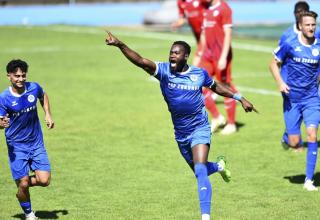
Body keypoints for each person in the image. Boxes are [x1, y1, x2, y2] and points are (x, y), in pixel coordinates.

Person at [106, 31, 257, 219]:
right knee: (198, 171)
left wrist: (239, 98)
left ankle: (205, 216)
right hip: (181, 133)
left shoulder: (198, 74)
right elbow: (141, 61)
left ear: (186, 56)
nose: (172, 55)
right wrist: (120, 44)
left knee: (200, 169)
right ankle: (219, 166)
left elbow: (215, 86)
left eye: (176, 53)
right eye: (171, 52)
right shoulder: (163, 71)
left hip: (200, 128)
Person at [269, 11, 320, 191]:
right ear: (300, 26)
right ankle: (287, 137)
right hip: (292, 98)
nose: (311, 28)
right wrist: (280, 82)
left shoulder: (319, 45)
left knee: (312, 135)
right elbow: (273, 64)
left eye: (313, 24)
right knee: (294, 142)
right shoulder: (289, 43)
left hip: (312, 98)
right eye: (307, 25)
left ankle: (308, 180)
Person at [0, 59, 54, 219]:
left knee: (44, 180)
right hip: (17, 147)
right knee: (23, 183)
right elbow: (0, 121)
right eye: (16, 76)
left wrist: (48, 114)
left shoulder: (33, 88)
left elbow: (43, 95)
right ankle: (29, 214)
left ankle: (21, 187)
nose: (20, 79)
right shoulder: (4, 98)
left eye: (23, 75)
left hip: (36, 143)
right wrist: (1, 124)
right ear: (8, 76)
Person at [278, 1, 320, 151]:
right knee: (298, 112)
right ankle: (290, 136)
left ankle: (294, 135)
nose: (300, 14)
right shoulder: (287, 35)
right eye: (298, 12)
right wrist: (282, 81)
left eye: (303, 12)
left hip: (311, 84)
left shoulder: (316, 33)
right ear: (295, 14)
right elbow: (279, 59)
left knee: (310, 111)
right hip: (289, 83)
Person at [195, 0, 238, 135]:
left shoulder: (225, 8)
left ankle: (231, 124)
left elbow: (228, 34)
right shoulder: (206, 9)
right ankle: (217, 117)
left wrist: (224, 56)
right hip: (207, 55)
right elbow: (203, 34)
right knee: (196, 84)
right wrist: (199, 53)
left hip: (220, 54)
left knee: (225, 87)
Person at [171, 0, 207, 65]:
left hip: (205, 31)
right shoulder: (180, 2)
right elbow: (182, 18)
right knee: (205, 53)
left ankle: (194, 72)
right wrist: (176, 24)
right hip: (196, 33)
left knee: (199, 53)